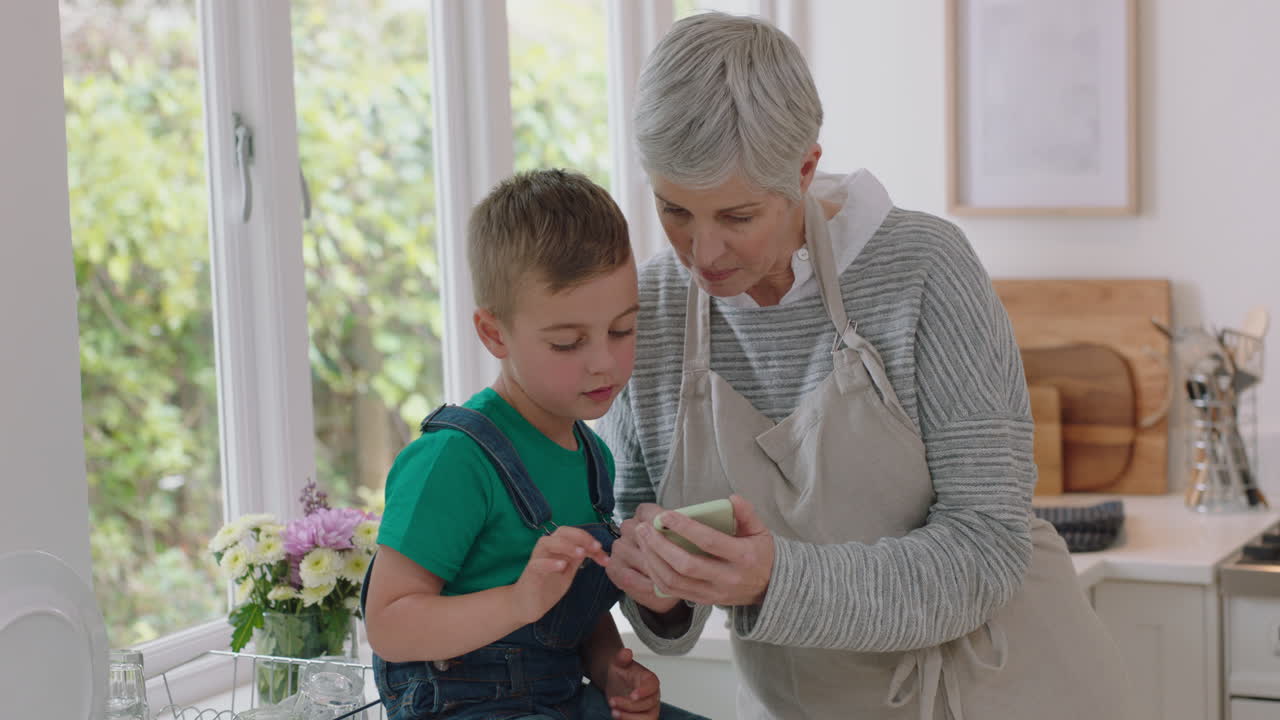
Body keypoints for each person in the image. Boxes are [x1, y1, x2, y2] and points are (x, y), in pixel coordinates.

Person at [597, 12, 1128, 720]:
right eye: (674, 211)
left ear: (805, 170)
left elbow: (989, 547)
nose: (704, 253)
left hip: (999, 693)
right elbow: (641, 531)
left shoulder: (925, 269)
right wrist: (653, 584)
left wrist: (778, 580)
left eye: (738, 215)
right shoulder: (655, 309)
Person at [363, 170, 704, 720]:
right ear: (494, 334)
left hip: (560, 697)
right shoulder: (452, 460)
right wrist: (517, 601)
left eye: (622, 330)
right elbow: (389, 625)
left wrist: (607, 666)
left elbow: (571, 607)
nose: (604, 361)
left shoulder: (592, 457)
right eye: (568, 342)